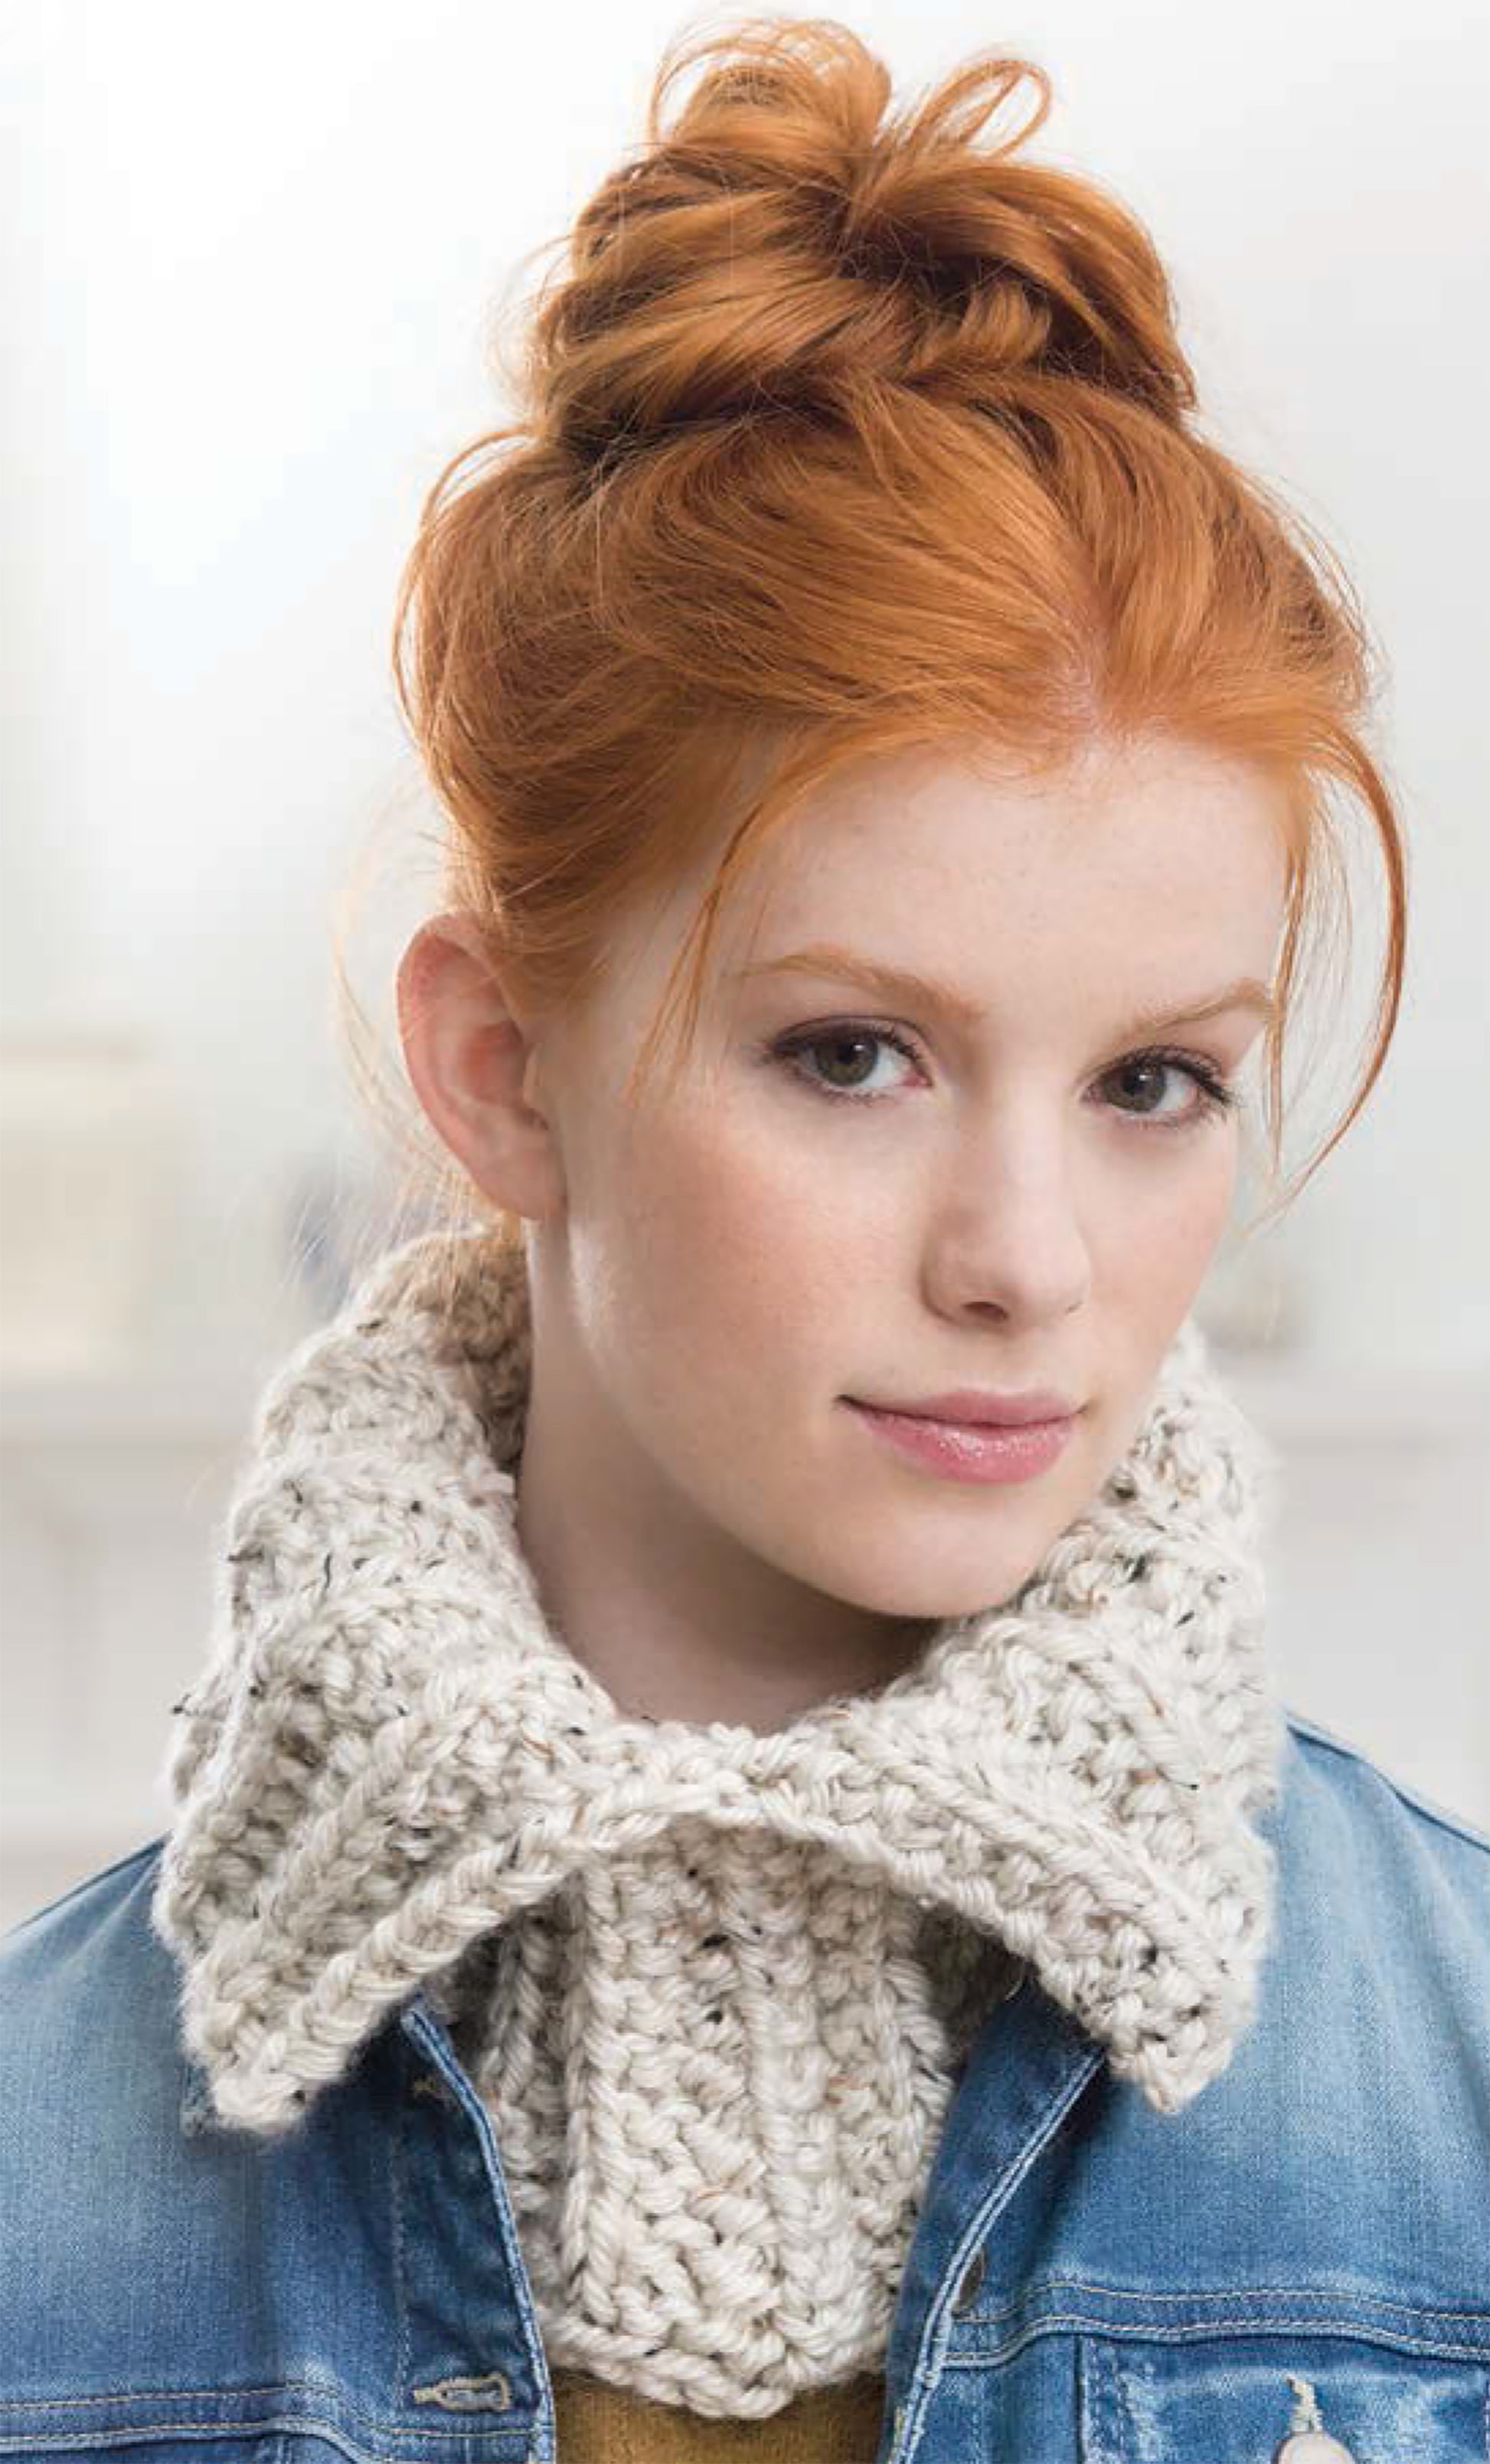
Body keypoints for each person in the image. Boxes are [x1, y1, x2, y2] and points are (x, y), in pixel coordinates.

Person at [2, 18, 1486, 2464]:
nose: (1028, 1258)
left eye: (1152, 1083)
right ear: (502, 1067)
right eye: (848, 1053)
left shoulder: (1440, 2099)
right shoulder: (55, 2215)